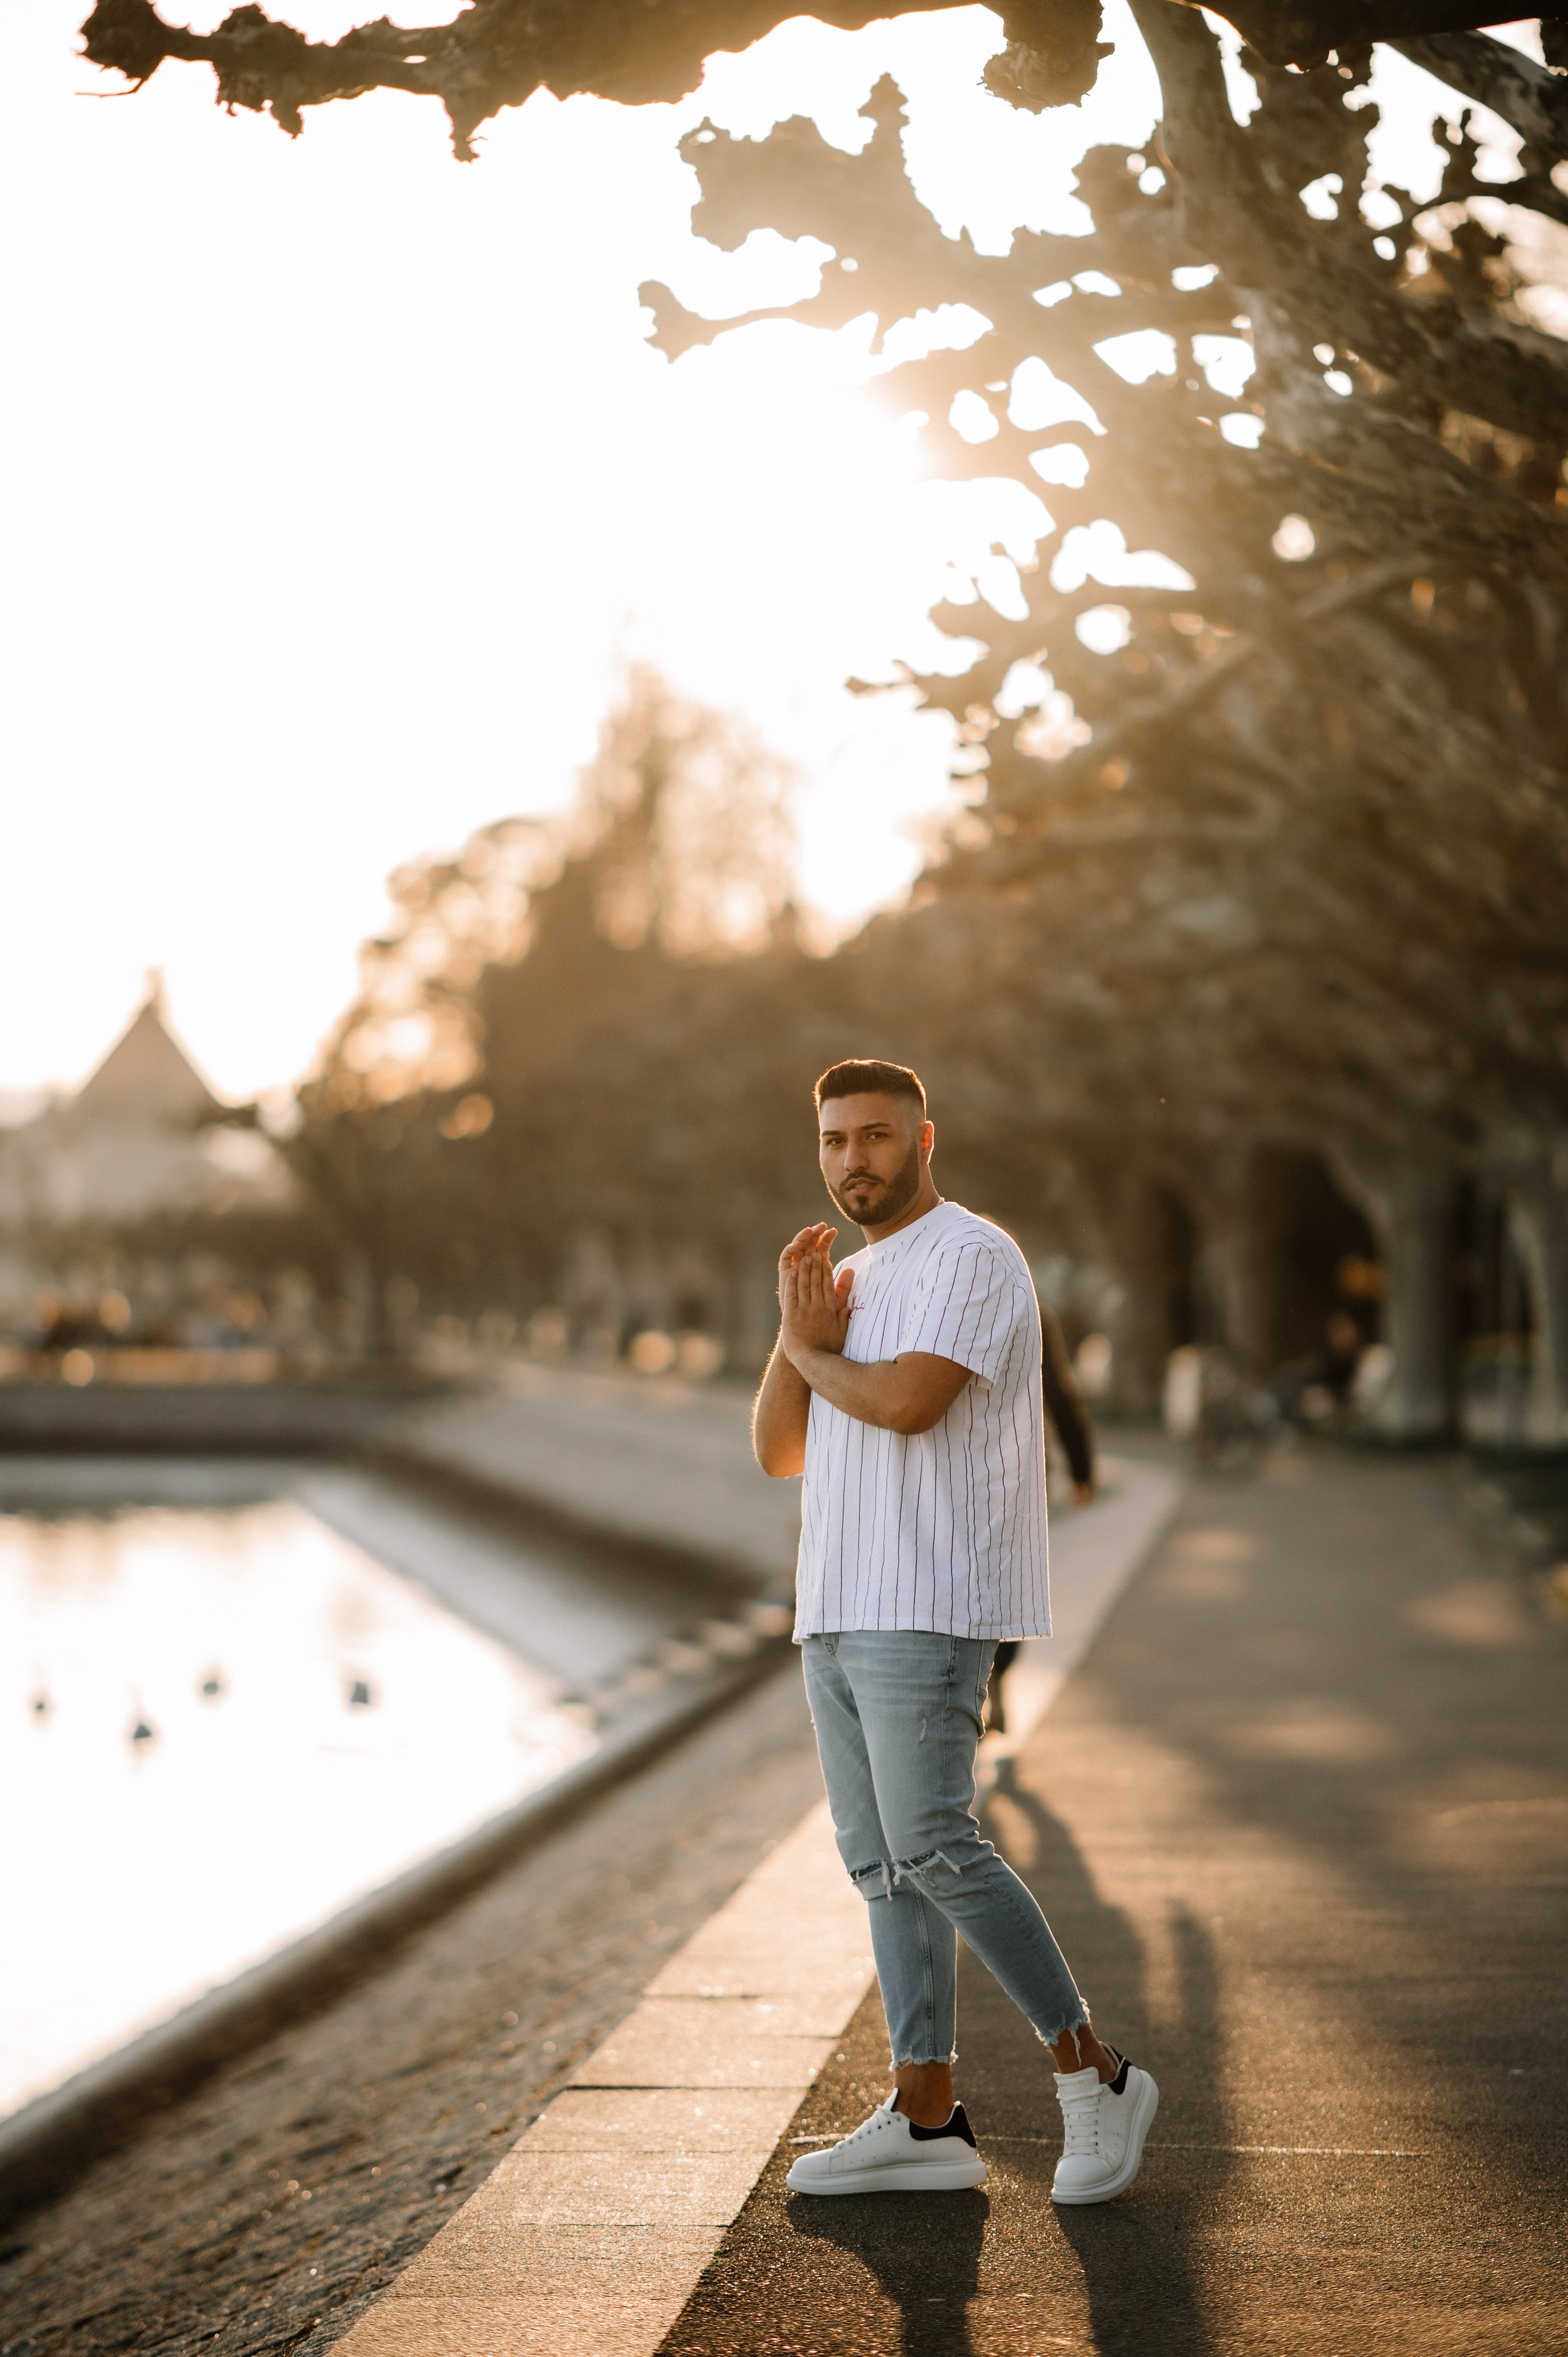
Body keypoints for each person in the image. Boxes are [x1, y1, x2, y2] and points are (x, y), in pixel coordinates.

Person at [752, 1058, 1157, 2205]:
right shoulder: (845, 1279)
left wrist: (817, 1348)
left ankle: (1097, 2074)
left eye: (875, 1136)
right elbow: (780, 1450)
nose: (852, 1160)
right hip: (834, 1602)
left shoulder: (977, 1255)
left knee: (937, 1843)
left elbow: (908, 1403)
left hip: (928, 1599)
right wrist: (795, 1332)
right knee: (882, 1867)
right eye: (833, 1141)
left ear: (926, 1138)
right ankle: (926, 2118)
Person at [987, 1304, 1097, 1733]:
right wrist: (1082, 1469)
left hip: (960, 1478)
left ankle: (982, 1686)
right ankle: (998, 1679)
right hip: (1021, 1474)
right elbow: (1058, 1386)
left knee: (971, 1586)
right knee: (1008, 1588)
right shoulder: (1026, 1302)